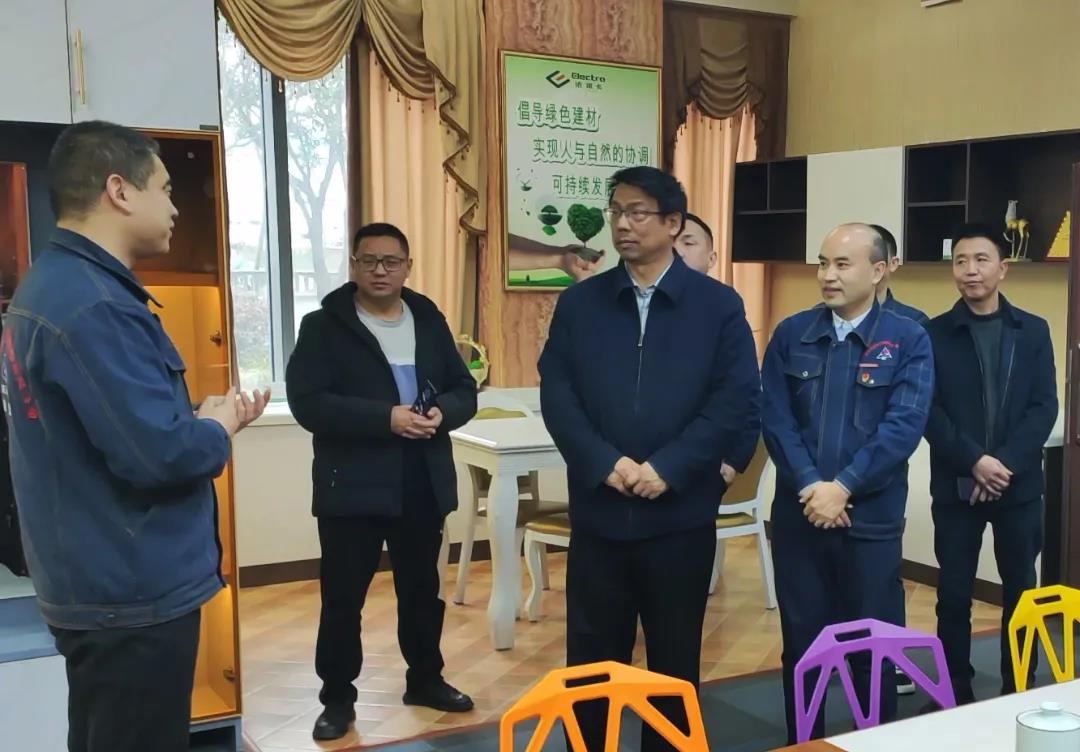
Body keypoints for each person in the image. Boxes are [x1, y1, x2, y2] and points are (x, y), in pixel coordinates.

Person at [0, 120, 267, 752]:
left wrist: (192, 418)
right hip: (128, 590)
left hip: (96, 578)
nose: (175, 207)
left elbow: (109, 427)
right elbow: (160, 456)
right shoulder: (94, 304)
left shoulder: (52, 286)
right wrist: (218, 424)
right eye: (166, 189)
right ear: (119, 190)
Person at [538, 166, 760, 751]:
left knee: (673, 661)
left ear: (672, 222)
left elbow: (734, 398)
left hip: (679, 516)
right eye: (616, 211)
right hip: (600, 514)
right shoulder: (582, 304)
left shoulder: (717, 306)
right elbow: (558, 394)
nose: (622, 224)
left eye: (637, 212)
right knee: (591, 661)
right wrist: (605, 464)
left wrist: (670, 468)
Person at [286, 222, 478, 742]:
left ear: (407, 267)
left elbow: (464, 388)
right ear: (353, 265)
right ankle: (337, 699)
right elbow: (308, 403)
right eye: (368, 260)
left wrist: (442, 412)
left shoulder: (429, 318)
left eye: (391, 261)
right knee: (343, 598)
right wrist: (384, 418)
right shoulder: (323, 326)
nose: (379, 270)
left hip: (421, 478)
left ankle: (426, 679)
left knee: (422, 591)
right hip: (353, 484)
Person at [761, 223, 933, 743]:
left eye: (841, 264)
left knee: (871, 647)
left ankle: (874, 741)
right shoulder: (792, 333)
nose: (827, 275)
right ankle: (804, 742)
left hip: (870, 522)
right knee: (802, 645)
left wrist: (844, 487)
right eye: (822, 263)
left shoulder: (908, 337)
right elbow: (776, 420)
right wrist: (813, 485)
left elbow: (903, 426)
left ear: (878, 271)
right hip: (801, 516)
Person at [924, 223, 1057, 704]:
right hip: (955, 486)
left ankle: (1019, 688)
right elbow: (928, 410)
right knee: (953, 594)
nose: (970, 270)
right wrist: (974, 461)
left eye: (981, 259)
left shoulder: (1033, 330)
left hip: (1017, 486)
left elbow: (1044, 406)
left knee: (1022, 592)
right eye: (961, 261)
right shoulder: (933, 333)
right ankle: (953, 692)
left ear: (1003, 268)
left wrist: (1001, 465)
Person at [868, 223, 928, 697]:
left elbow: (913, 408)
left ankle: (894, 663)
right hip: (823, 479)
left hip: (884, 473)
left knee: (883, 575)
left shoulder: (912, 324)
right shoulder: (816, 324)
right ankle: (844, 658)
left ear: (889, 266)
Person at [676, 212, 757, 485]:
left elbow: (746, 390)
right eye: (670, 243)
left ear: (712, 259)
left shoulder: (725, 307)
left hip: (703, 461)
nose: (678, 251)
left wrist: (735, 459)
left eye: (688, 243)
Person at [870, 223, 930, 325]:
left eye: (873, 257)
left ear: (893, 263)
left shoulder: (914, 321)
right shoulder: (839, 316)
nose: (863, 266)